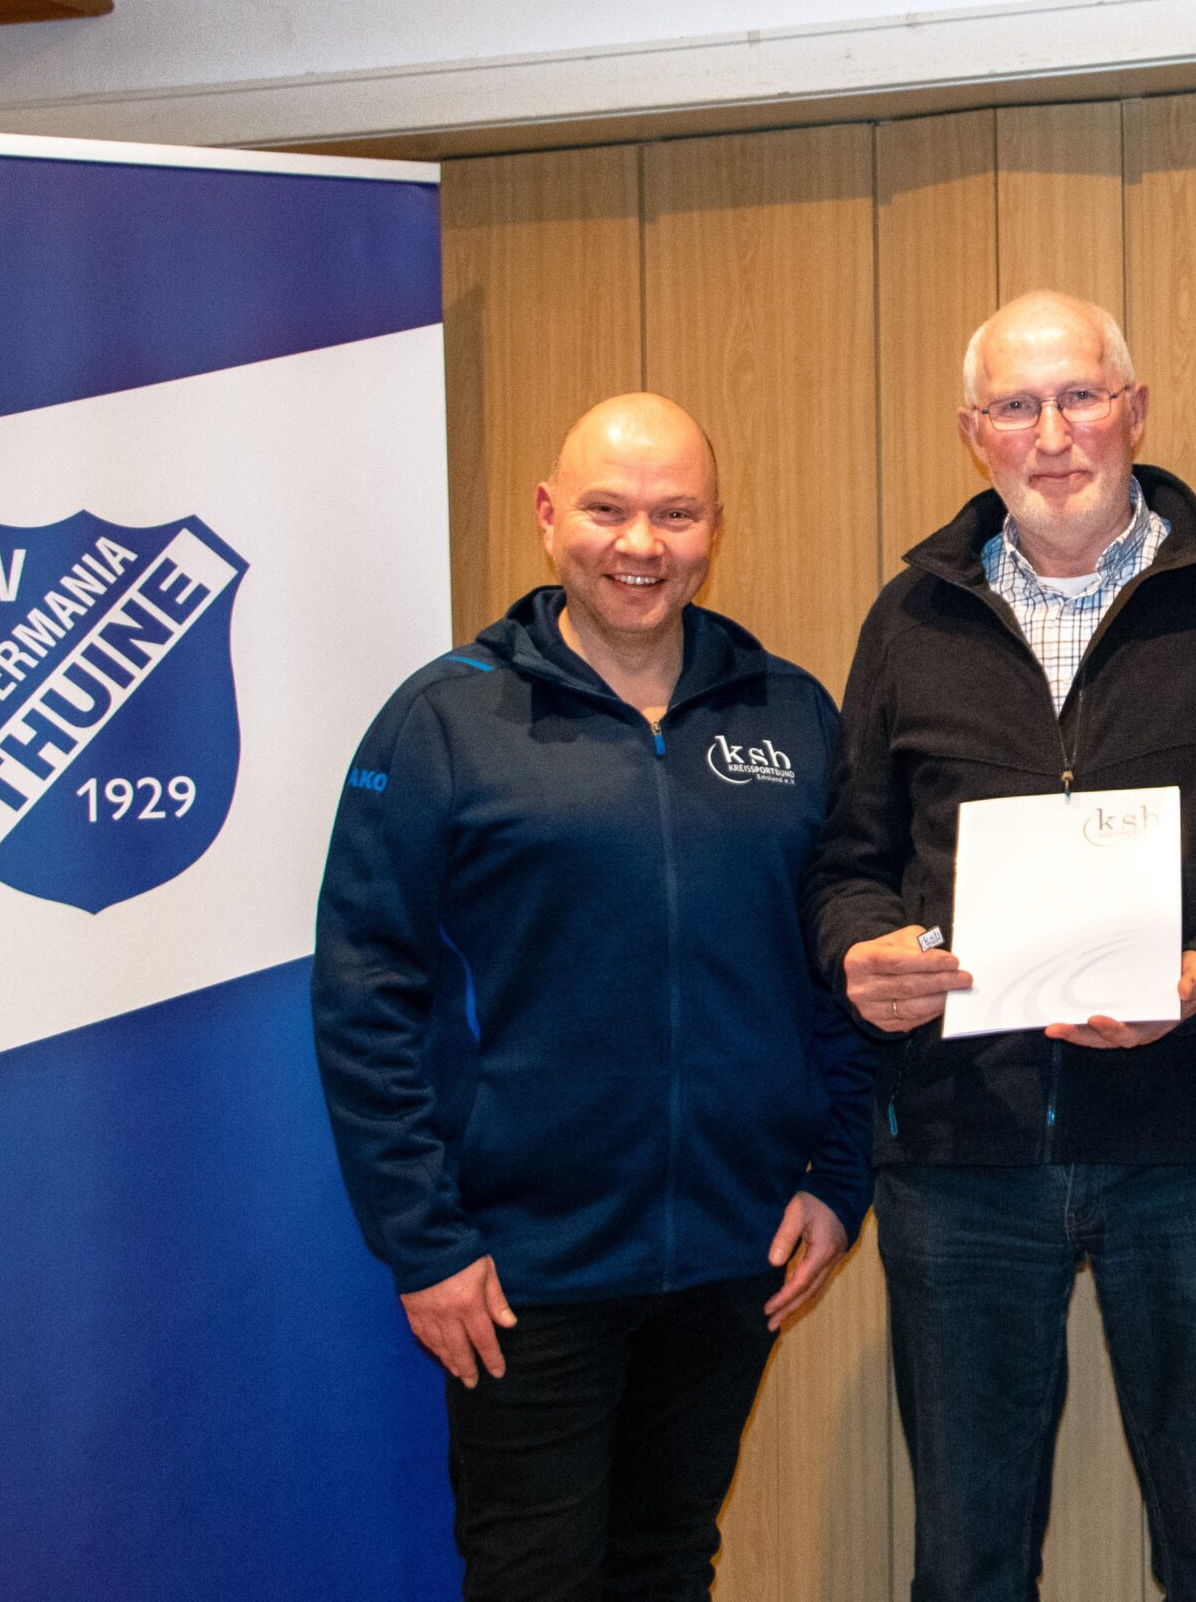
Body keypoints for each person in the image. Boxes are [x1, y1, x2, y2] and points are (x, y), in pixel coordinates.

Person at [806, 290, 1196, 1602]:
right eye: (1017, 405)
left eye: (1080, 396)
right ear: (975, 433)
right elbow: (848, 865)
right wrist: (858, 952)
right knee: (967, 1558)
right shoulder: (911, 618)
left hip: (1194, 1145)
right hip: (962, 1152)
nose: (1053, 433)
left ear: (1135, 409)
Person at [312, 393, 873, 1601]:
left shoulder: (790, 713)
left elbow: (839, 961)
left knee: (669, 1564)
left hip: (733, 1250)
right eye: (609, 510)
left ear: (716, 525)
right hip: (521, 1267)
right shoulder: (446, 719)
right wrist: (427, 1242)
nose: (640, 544)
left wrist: (836, 1176)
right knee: (536, 1576)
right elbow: (365, 991)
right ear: (547, 513)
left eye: (675, 514)